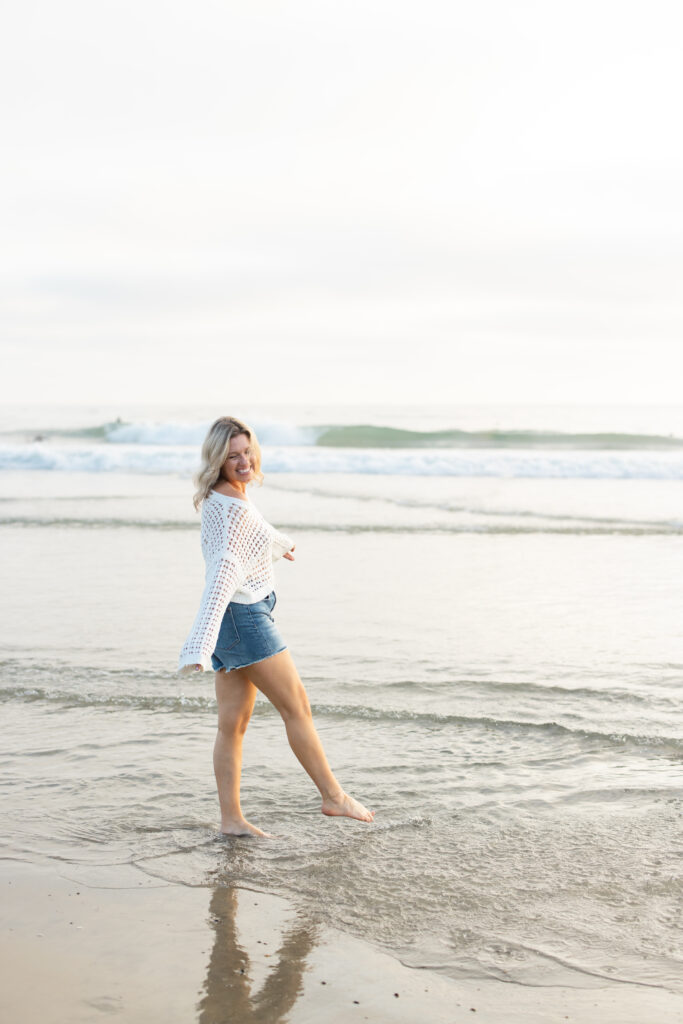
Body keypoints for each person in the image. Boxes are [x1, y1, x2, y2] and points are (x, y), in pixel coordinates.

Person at [179, 416, 375, 836]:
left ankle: (231, 820)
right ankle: (333, 797)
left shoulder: (224, 496)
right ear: (217, 459)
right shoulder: (229, 504)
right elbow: (225, 566)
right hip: (243, 616)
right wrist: (202, 638)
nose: (244, 460)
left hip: (239, 616)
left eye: (247, 451)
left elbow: (249, 533)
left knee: (232, 724)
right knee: (297, 707)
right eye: (233, 456)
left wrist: (276, 544)